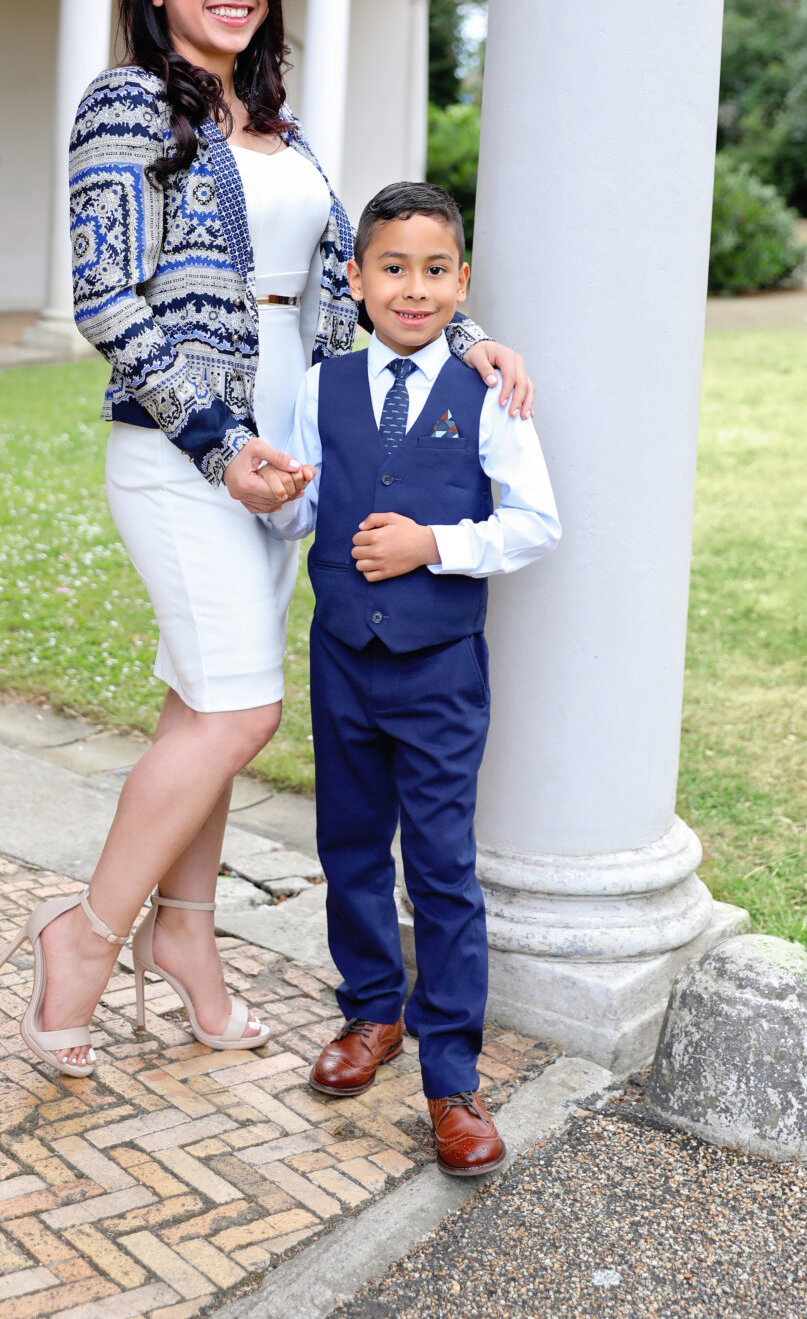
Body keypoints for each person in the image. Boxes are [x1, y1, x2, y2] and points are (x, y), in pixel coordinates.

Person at [0, 0, 534, 1077]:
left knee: (204, 709)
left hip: (288, 464)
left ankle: (188, 943)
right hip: (184, 454)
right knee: (245, 710)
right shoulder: (124, 104)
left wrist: (467, 336)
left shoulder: (280, 132)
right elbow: (106, 296)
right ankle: (82, 938)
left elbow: (355, 280)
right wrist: (214, 442)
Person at [264, 180, 560, 1176]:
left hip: (436, 671)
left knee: (438, 867)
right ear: (354, 280)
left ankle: (451, 1077)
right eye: (391, 267)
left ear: (459, 280)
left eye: (435, 270)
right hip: (342, 656)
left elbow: (533, 524)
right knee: (348, 845)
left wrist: (433, 542)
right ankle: (367, 1014)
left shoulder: (489, 389)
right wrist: (275, 498)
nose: (413, 287)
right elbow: (303, 511)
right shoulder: (323, 386)